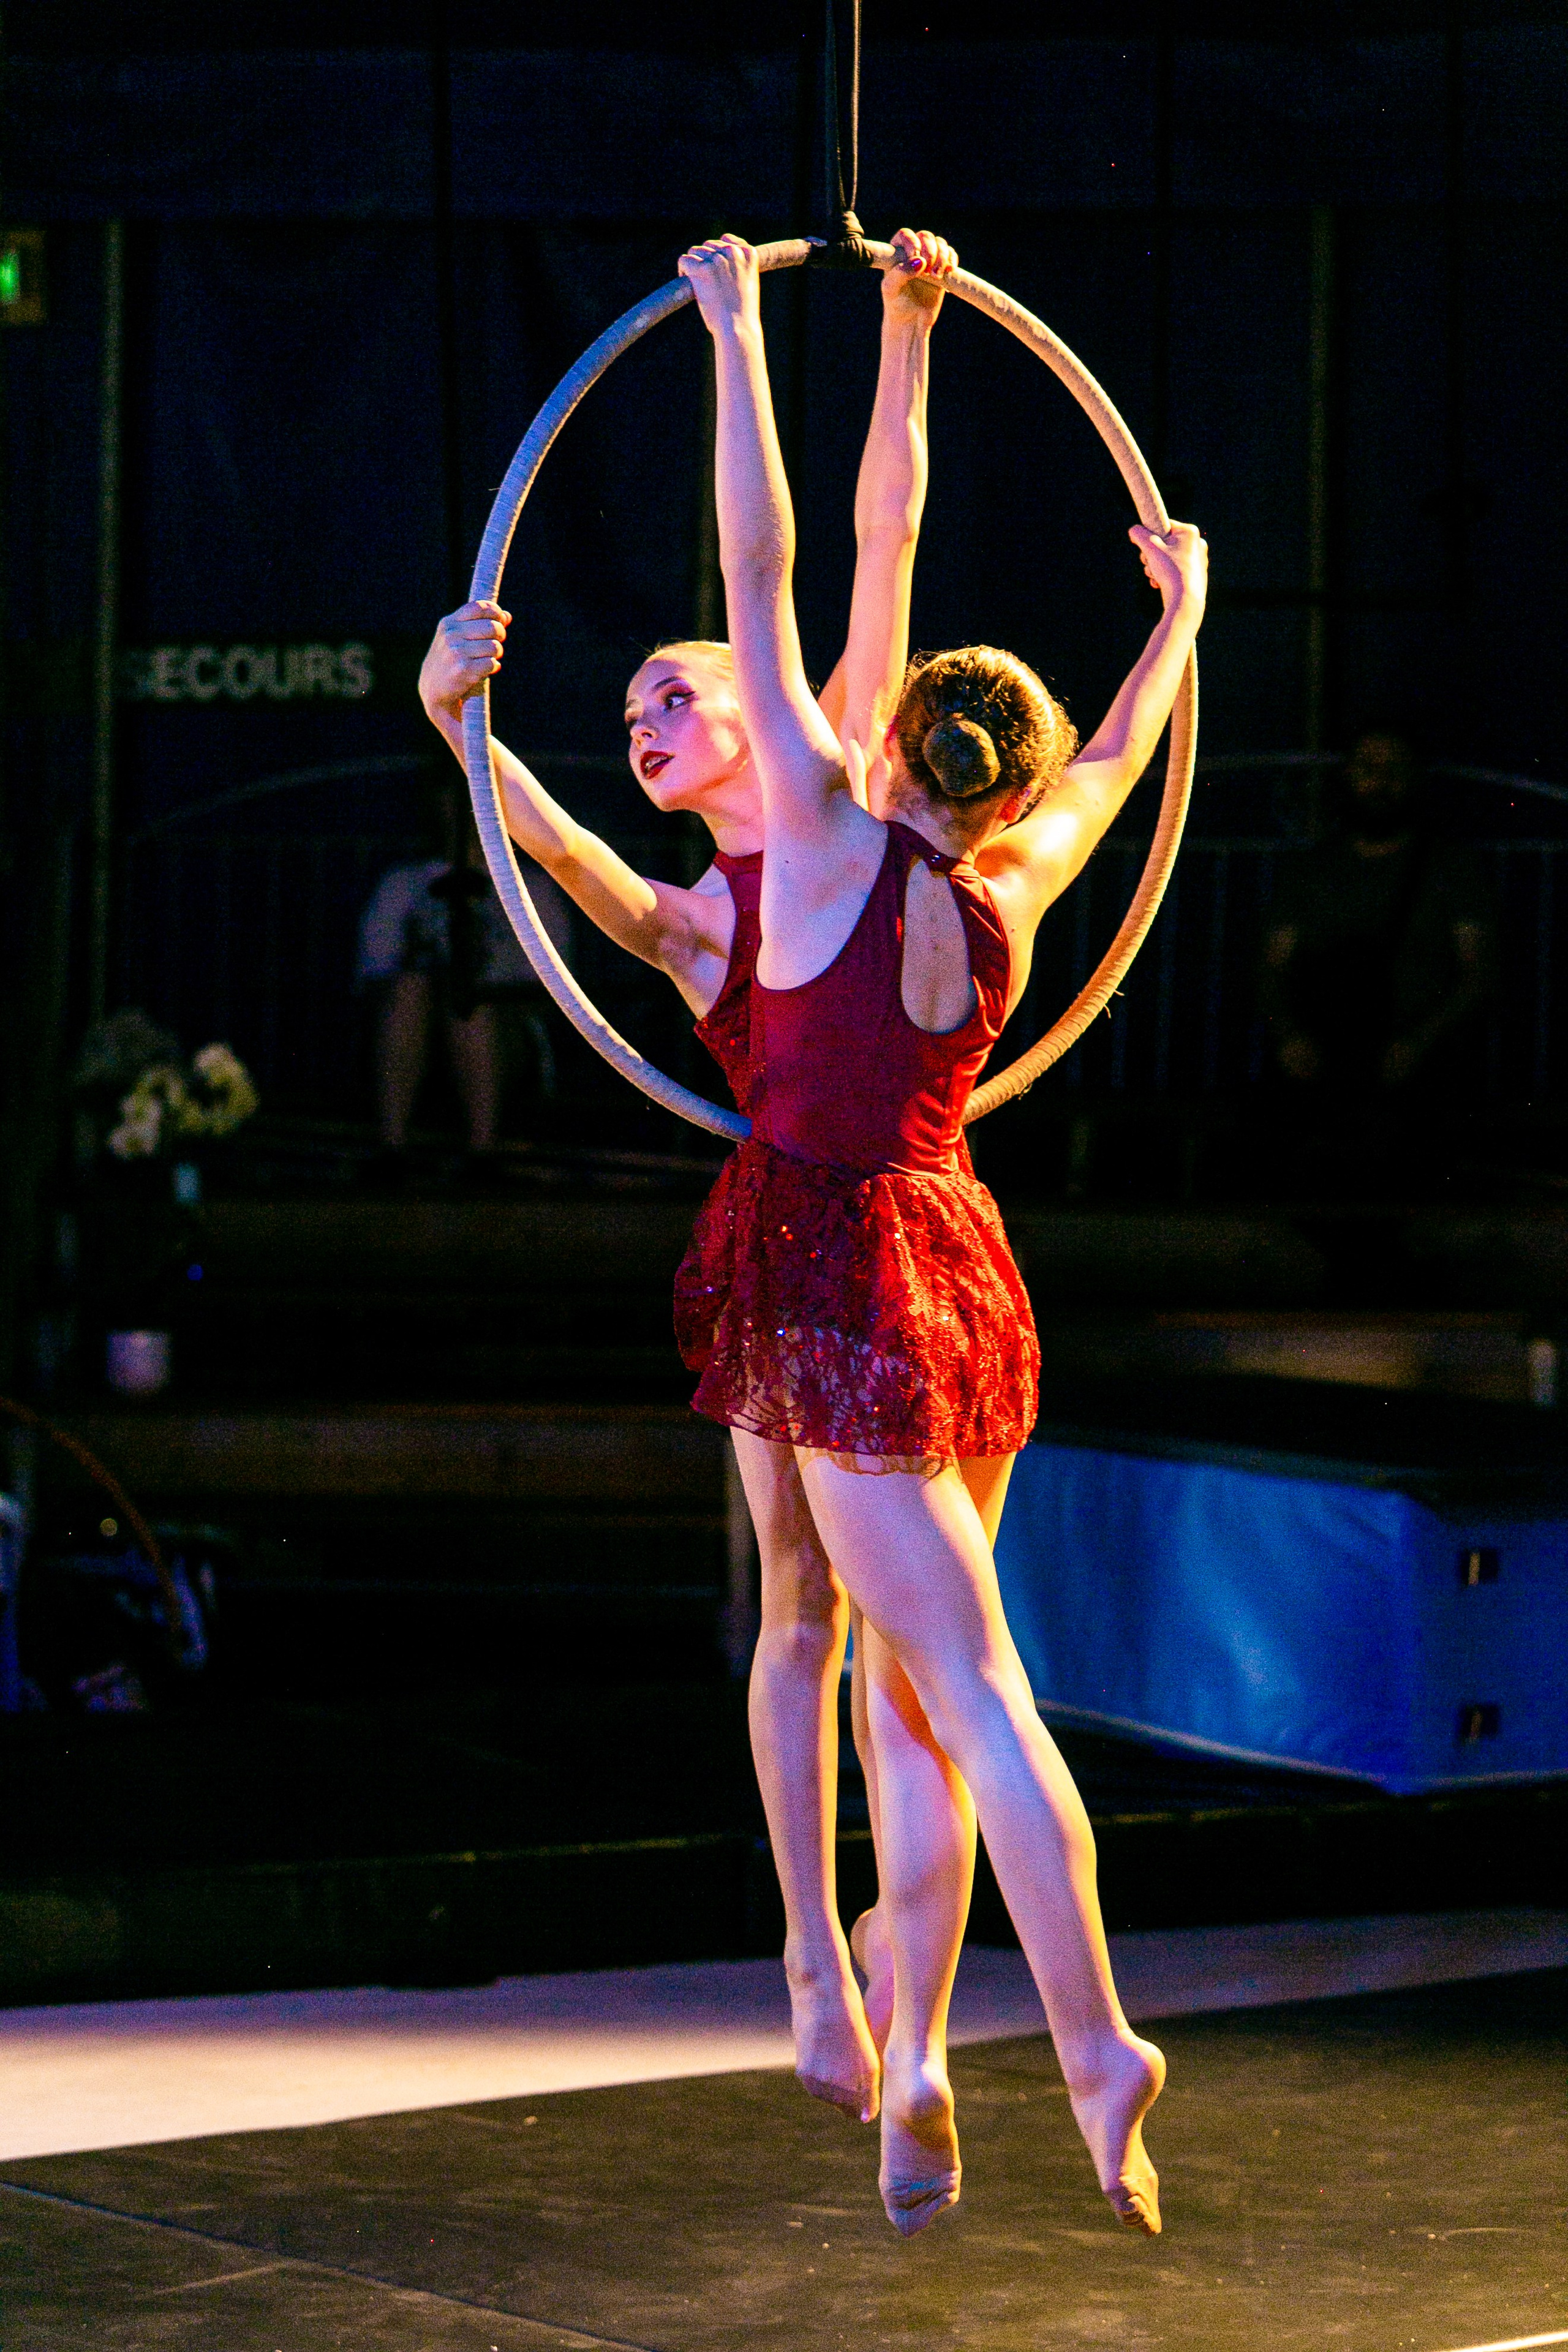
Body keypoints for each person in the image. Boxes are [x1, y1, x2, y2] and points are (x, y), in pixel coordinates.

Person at [676, 230, 1207, 2236]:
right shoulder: (1022, 872)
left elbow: (779, 565)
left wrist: (744, 340)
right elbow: (1124, 754)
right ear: (1009, 783)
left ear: (889, 738)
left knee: (966, 1688)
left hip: (837, 1282)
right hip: (960, 1263)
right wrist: (1186, 621)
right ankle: (921, 2065)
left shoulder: (810, 819)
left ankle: (1088, 2037)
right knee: (923, 1686)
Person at [420, 230, 967, 2126]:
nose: (645, 718)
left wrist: (898, 336)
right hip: (780, 1251)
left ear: (759, 708)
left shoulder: (829, 774)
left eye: (670, 694)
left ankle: (899, 1972)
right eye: (634, 710)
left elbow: (844, 555)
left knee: (909, 1632)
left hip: (892, 1237)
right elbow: (562, 857)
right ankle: (807, 1951)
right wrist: (461, 727)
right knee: (795, 1601)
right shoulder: (697, 916)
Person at [1262, 728, 1496, 1114]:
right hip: (1325, 1046)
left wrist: (1420, 1042)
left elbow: (1479, 972)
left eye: (1395, 767)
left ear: (1414, 776)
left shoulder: (1451, 868)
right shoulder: (1313, 869)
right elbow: (1271, 966)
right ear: (1348, 775)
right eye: (1368, 766)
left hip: (1415, 1050)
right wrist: (1291, 1038)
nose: (1380, 780)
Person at [356, 779, 572, 1162]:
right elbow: (374, 972)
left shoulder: (532, 888)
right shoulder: (403, 884)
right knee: (412, 993)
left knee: (471, 1007)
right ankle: (391, 1150)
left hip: (505, 1030)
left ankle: (481, 1152)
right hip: (420, 1024)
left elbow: (553, 988)